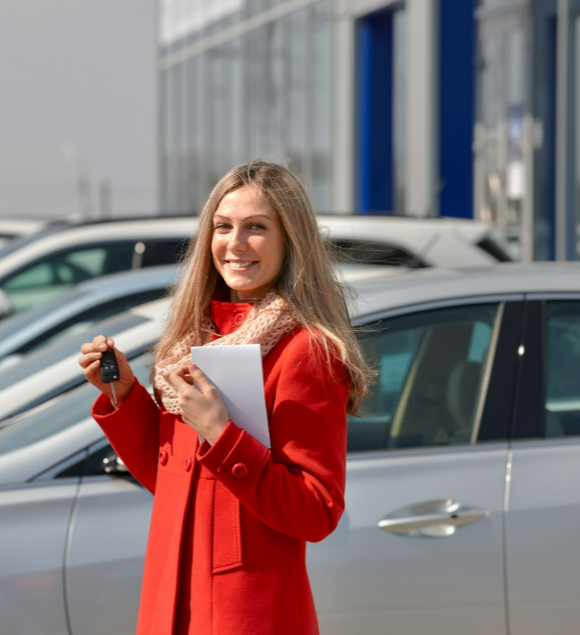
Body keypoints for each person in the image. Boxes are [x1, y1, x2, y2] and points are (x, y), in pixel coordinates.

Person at [78, 160, 372, 635]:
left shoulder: (306, 351)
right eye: (223, 226)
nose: (235, 243)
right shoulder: (191, 341)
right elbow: (174, 480)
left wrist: (220, 432)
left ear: (290, 240)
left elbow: (316, 512)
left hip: (246, 614)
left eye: (256, 227)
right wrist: (126, 394)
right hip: (171, 596)